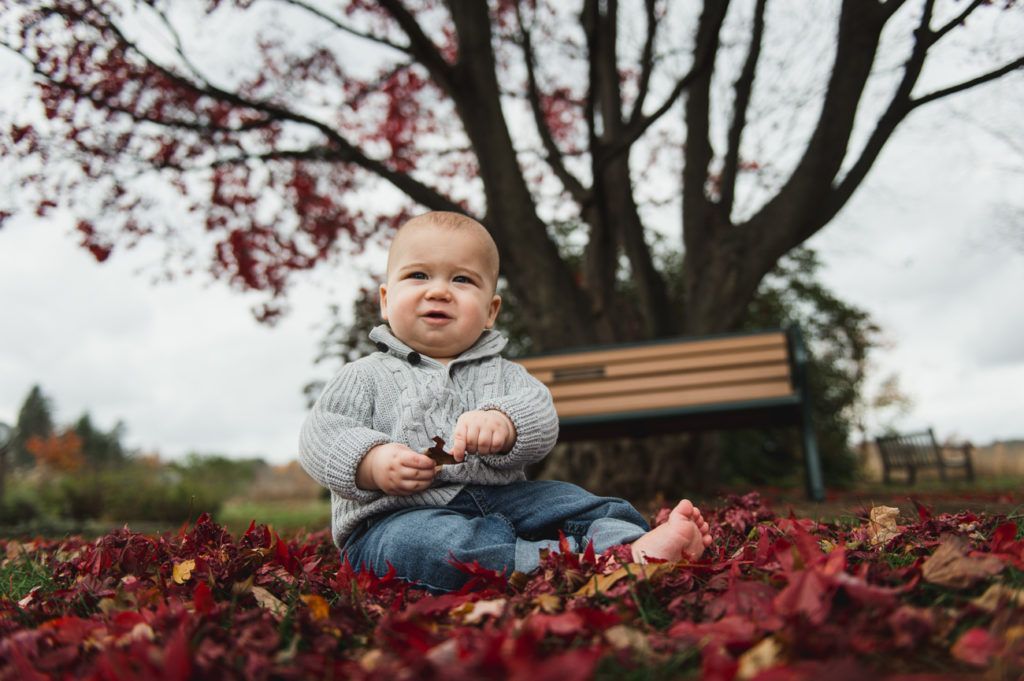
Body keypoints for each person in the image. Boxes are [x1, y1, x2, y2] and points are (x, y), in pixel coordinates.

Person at [298, 211, 712, 592]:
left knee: (576, 502)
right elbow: (322, 434)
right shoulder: (364, 375)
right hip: (393, 517)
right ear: (386, 301)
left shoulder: (506, 375)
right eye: (419, 275)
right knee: (426, 544)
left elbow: (542, 419)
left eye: (462, 280)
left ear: (491, 310)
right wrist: (372, 462)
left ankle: (630, 548)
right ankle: (550, 565)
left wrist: (506, 422)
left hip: (505, 500)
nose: (439, 291)